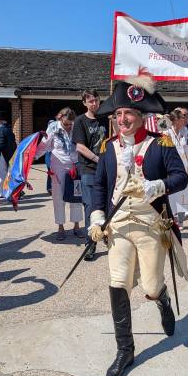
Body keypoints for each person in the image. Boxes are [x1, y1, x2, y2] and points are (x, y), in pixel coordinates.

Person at [88, 74, 188, 376]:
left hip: (150, 224)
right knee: (117, 282)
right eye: (117, 114)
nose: (121, 119)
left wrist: (155, 186)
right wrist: (96, 217)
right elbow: (100, 185)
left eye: (127, 113)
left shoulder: (160, 143)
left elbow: (180, 178)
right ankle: (125, 350)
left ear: (141, 115)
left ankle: (162, 299)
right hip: (117, 226)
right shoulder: (108, 147)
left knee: (149, 287)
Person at [36, 108, 84, 240]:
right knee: (58, 197)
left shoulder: (77, 125)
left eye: (70, 124)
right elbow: (45, 145)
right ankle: (61, 227)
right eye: (66, 124)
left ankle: (76, 226)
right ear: (60, 119)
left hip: (75, 164)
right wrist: (33, 156)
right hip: (58, 165)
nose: (68, 126)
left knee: (76, 196)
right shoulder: (53, 127)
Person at [72, 89, 107, 260]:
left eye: (96, 100)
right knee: (90, 207)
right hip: (89, 169)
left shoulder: (105, 118)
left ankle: (107, 235)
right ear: (85, 103)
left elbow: (114, 138)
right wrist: (97, 159)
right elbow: (80, 146)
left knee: (109, 204)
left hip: (107, 169)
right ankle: (90, 244)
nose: (94, 103)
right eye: (90, 101)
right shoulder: (80, 121)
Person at [0, 111, 17, 198]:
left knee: (0, 174)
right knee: (8, 174)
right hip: (9, 154)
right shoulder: (8, 130)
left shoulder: (0, 130)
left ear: (0, 121)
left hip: (1, 154)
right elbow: (13, 144)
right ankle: (11, 191)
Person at [45, 110, 65, 195]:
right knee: (50, 171)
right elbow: (45, 144)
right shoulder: (51, 130)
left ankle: (54, 187)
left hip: (59, 157)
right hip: (50, 154)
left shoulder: (62, 129)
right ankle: (50, 187)